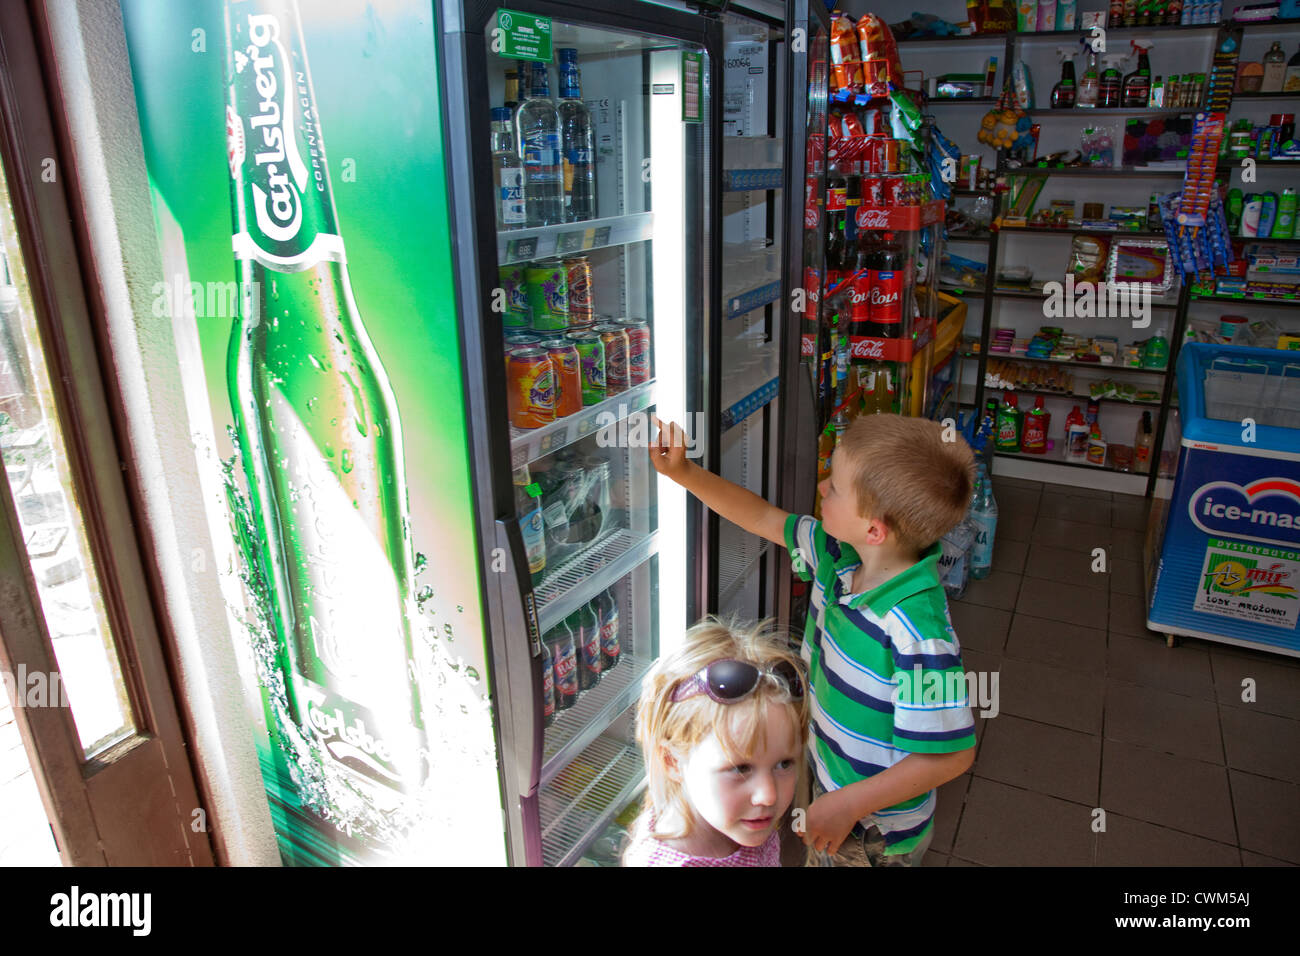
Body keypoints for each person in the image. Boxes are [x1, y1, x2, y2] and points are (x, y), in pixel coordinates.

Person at [649, 413, 977, 867]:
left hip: (876, 835)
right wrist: (684, 473)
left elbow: (950, 756)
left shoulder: (918, 634)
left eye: (836, 486)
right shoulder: (836, 553)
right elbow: (762, 515)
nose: (822, 486)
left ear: (875, 529)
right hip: (833, 780)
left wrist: (849, 804)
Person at [622, 616, 809, 866]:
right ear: (672, 762)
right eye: (741, 768)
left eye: (784, 764)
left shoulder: (741, 818)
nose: (768, 795)